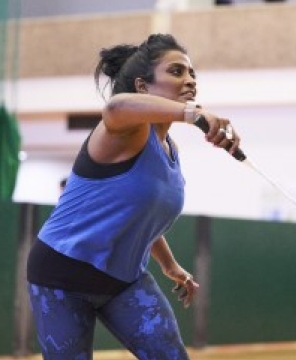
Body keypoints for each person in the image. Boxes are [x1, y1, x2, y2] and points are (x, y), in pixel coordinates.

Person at [26, 33, 241, 360]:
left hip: (123, 281)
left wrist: (171, 266)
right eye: (176, 71)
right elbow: (116, 106)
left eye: (192, 73)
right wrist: (194, 114)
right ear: (142, 86)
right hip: (62, 275)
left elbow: (138, 214)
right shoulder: (122, 129)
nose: (189, 80)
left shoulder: (170, 149)